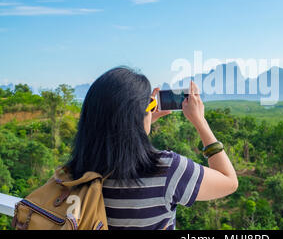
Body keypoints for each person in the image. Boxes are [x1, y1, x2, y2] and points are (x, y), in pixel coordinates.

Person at [66, 66, 238, 229]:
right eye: (147, 106)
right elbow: (229, 182)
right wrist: (200, 121)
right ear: (137, 116)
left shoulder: (72, 173)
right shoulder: (166, 169)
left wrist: (141, 124)